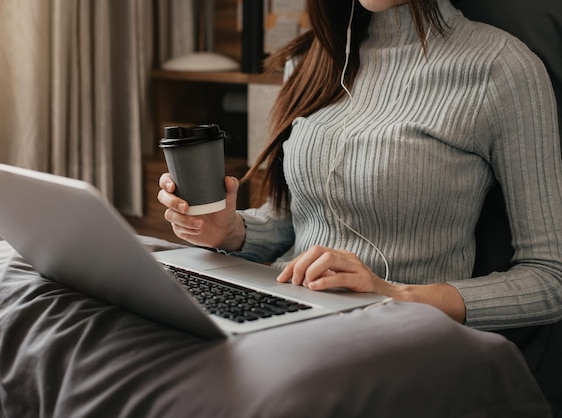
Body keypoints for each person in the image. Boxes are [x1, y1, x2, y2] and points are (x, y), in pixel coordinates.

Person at [158, 0, 562, 411]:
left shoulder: (501, 67)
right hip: (284, 310)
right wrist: (229, 230)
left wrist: (394, 294)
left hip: (396, 340)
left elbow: (551, 278)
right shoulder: (315, 57)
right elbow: (291, 220)